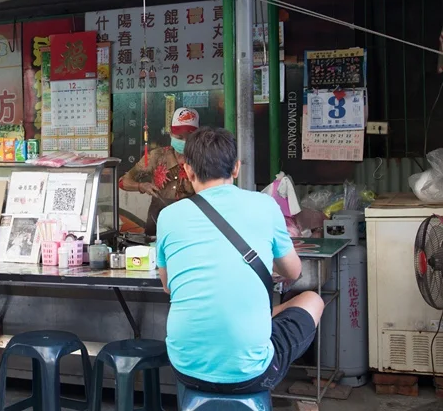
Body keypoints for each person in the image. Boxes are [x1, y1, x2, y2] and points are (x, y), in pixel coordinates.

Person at [156, 127, 325, 394]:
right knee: (312, 300)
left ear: (188, 171)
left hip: (185, 368)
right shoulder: (265, 205)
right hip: (252, 373)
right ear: (236, 168)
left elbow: (168, 286)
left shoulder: (168, 216)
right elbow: (293, 272)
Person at [118, 107, 199, 236]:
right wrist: (141, 186)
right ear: (171, 134)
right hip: (157, 221)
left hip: (191, 222)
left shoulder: (203, 158)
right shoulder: (156, 156)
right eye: (179, 137)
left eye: (189, 137)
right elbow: (123, 182)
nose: (184, 141)